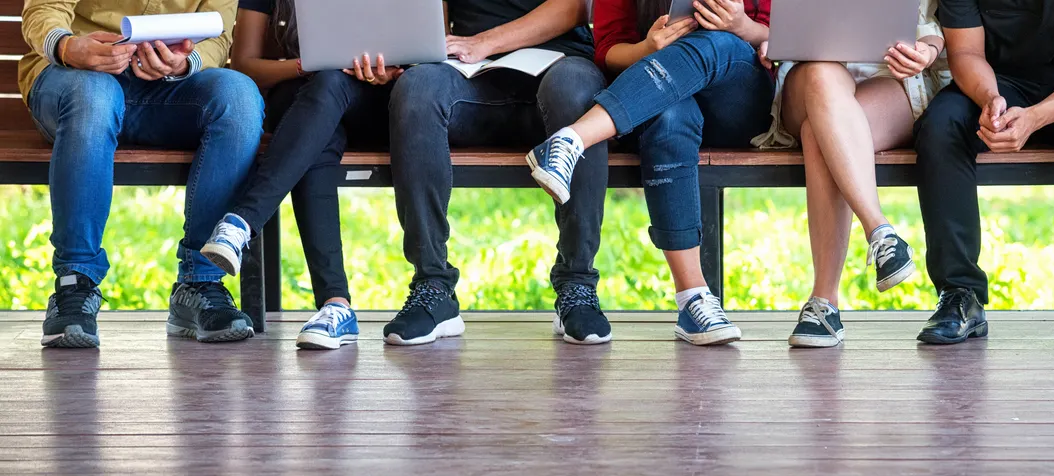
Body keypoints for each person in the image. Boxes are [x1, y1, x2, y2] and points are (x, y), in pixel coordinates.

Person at [21, 1, 265, 348]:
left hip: (166, 90)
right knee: (94, 95)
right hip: (73, 82)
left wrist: (183, 63)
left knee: (239, 97)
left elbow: (218, 34)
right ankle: (73, 285)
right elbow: (45, 8)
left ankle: (201, 283)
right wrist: (67, 46)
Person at [529, 0, 773, 346]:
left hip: (736, 97)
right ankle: (693, 299)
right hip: (656, 93)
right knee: (670, 117)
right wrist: (647, 48)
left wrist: (741, 25)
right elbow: (608, 50)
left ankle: (573, 138)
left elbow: (783, 34)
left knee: (719, 43)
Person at [914, 0, 1054, 351]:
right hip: (1000, 80)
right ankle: (959, 294)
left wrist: (1036, 117)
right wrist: (990, 98)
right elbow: (966, 54)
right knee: (942, 124)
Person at [384, 0, 612, 347]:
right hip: (471, 76)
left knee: (575, 89)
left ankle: (577, 285)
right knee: (418, 87)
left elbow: (576, 7)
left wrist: (486, 42)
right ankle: (432, 286)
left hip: (559, 66)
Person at [200, 0, 399, 350]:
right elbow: (245, 64)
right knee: (324, 100)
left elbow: (429, 49)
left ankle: (242, 222)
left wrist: (393, 69)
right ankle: (336, 308)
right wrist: (304, 66)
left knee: (323, 102)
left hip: (377, 101)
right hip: (304, 96)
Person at [760, 1, 949, 348]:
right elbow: (777, 19)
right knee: (821, 81)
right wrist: (770, 38)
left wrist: (926, 50)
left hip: (888, 77)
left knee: (820, 134)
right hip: (811, 72)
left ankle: (824, 302)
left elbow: (930, 19)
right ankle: (879, 230)